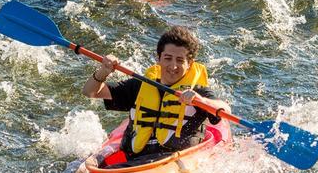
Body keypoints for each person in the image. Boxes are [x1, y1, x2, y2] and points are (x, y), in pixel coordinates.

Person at [82, 26, 231, 164]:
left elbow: (225, 110)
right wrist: (103, 71)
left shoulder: (197, 92)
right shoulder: (139, 86)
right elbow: (90, 92)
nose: (173, 66)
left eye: (180, 60)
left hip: (174, 165)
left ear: (190, 64)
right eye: (167, 58)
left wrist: (201, 100)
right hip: (134, 164)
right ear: (158, 58)